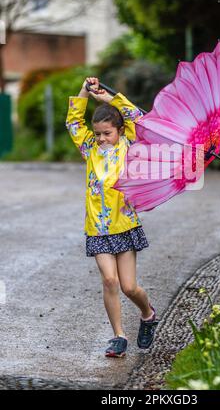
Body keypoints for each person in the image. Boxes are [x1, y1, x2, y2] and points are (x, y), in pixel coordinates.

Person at [65, 77, 159, 358]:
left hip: (124, 225)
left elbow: (138, 117)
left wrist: (109, 99)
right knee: (110, 281)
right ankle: (118, 336)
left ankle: (148, 314)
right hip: (97, 227)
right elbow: (72, 123)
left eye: (107, 133)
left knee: (129, 286)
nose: (102, 138)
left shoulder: (129, 144)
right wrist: (83, 90)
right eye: (98, 134)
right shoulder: (89, 150)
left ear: (118, 131)